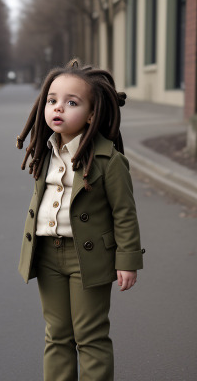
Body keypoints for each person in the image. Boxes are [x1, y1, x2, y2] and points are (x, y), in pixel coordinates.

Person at [16, 59, 145, 381]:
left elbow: (124, 213)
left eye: (71, 102)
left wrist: (127, 260)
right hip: (47, 253)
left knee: (90, 335)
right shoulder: (44, 151)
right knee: (57, 332)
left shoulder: (109, 160)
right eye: (52, 100)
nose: (58, 107)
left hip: (88, 256)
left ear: (91, 115)